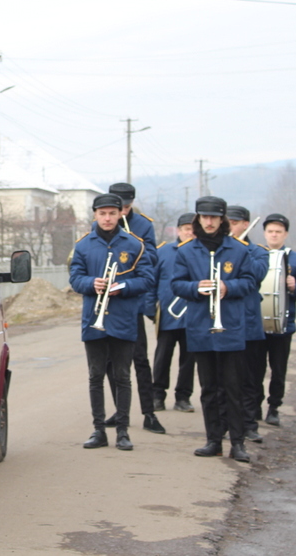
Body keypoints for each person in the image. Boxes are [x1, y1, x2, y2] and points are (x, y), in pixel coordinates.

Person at [171, 197, 257, 462]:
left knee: (233, 386)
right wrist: (196, 287)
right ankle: (213, 440)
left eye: (214, 217)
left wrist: (227, 288)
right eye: (204, 217)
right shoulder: (186, 251)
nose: (208, 222)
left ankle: (238, 442)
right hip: (200, 325)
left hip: (230, 325)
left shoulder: (239, 250)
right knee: (208, 387)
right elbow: (176, 284)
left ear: (222, 220)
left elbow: (250, 281)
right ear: (198, 219)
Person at [70, 193, 155, 451]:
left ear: (121, 214)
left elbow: (148, 280)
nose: (107, 218)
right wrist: (90, 283)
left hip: (123, 319)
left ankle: (123, 432)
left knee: (122, 377)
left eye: (112, 213)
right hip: (93, 318)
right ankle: (98, 431)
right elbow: (75, 278)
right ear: (95, 215)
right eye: (102, 213)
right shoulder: (83, 245)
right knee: (95, 377)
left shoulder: (134, 244)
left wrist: (124, 286)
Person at [107, 183, 165, 434]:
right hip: (109, 301)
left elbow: (152, 258)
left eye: (127, 207)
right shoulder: (102, 221)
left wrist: (133, 246)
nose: (123, 211)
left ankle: (149, 413)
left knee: (139, 358)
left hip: (133, 299)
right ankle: (121, 411)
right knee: (111, 361)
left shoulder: (143, 224)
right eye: (120, 207)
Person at [248, 213, 296, 427]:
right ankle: (254, 406)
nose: (274, 235)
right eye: (270, 231)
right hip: (257, 324)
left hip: (284, 324)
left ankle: (274, 408)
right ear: (264, 233)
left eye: (278, 232)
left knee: (279, 369)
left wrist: (294, 287)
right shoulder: (254, 254)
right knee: (255, 368)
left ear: (286, 234)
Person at [226, 205, 269, 444]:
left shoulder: (258, 252)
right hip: (225, 322)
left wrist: (238, 251)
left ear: (245, 224)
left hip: (249, 323)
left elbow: (256, 276)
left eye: (234, 223)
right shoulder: (218, 251)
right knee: (227, 378)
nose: (230, 227)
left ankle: (250, 424)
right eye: (227, 223)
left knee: (251, 377)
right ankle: (225, 423)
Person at [150, 213, 197, 412]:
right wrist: (151, 310)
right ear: (179, 230)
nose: (190, 233)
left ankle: (183, 397)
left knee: (189, 359)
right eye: (186, 229)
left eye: (194, 230)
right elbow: (150, 282)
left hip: (193, 316)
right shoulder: (164, 252)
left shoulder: (202, 253)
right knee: (162, 357)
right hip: (167, 316)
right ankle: (157, 396)